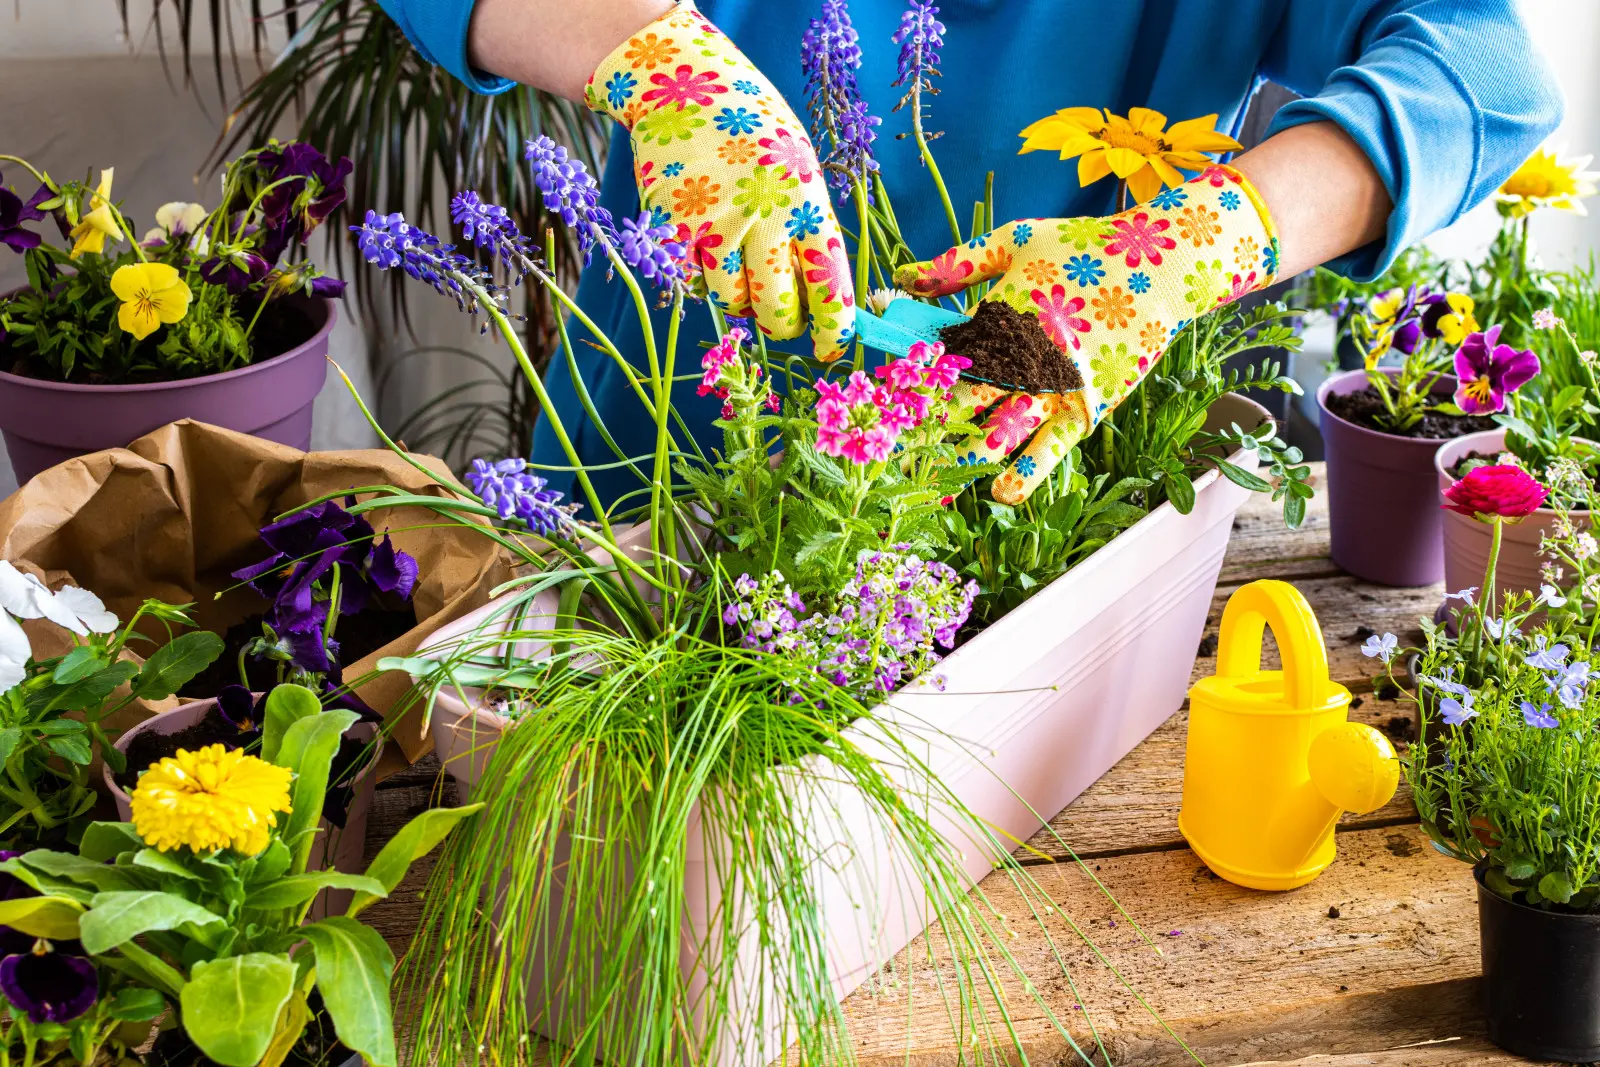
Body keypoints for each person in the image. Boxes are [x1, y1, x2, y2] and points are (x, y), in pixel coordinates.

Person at [375, 0, 1562, 506]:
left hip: (1025, 490)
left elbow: (1488, 69)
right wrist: (656, 56)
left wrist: (1199, 238)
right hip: (661, 452)